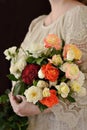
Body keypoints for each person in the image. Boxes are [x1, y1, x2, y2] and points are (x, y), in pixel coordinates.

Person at [8, 0, 87, 130]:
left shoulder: (78, 15)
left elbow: (82, 84)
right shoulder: (37, 24)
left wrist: (40, 107)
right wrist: (16, 99)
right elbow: (17, 71)